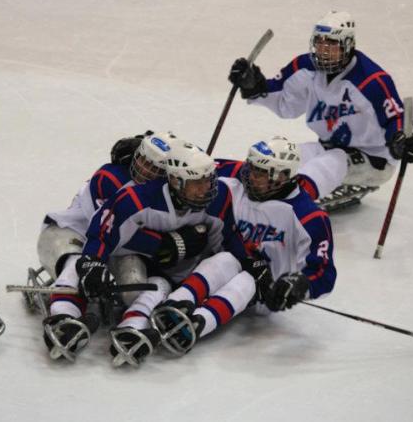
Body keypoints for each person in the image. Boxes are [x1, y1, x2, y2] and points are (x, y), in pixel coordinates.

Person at [44, 142, 251, 366]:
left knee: (155, 284)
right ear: (175, 181)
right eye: (197, 183)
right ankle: (64, 315)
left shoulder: (218, 199)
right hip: (89, 241)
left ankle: (132, 326)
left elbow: (227, 243)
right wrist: (92, 265)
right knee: (77, 260)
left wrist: (251, 265)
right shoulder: (134, 197)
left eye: (208, 180)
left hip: (143, 262)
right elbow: (101, 234)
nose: (206, 188)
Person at [152, 137, 336, 354]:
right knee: (225, 259)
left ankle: (199, 323)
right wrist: (154, 150)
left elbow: (324, 274)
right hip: (231, 260)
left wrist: (298, 285)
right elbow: (192, 165)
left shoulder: (309, 217)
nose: (249, 174)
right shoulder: (239, 174)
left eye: (260, 172)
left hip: (265, 289)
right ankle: (176, 303)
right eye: (251, 167)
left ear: (283, 176)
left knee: (246, 280)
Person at [228, 10, 413, 203]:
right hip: (327, 147)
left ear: (348, 46)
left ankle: (297, 204)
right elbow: (285, 103)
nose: (324, 50)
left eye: (331, 44)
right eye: (320, 43)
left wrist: (400, 141)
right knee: (283, 157)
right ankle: (234, 190)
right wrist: (254, 85)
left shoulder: (371, 81)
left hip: (374, 159)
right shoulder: (305, 67)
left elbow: (396, 119)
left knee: (331, 161)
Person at [37, 131, 182, 361]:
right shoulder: (110, 177)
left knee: (134, 289)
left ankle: (134, 321)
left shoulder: (165, 193)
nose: (145, 170)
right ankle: (63, 318)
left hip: (124, 253)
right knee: (76, 262)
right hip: (73, 234)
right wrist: (164, 244)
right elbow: (113, 231)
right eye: (143, 161)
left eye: (155, 168)